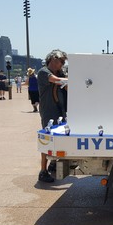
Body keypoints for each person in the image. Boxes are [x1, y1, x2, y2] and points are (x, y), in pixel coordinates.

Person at [37, 49, 68, 183]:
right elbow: (56, 81)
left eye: (62, 62)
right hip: (48, 110)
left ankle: (53, 164)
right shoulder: (44, 72)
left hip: (60, 111)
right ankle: (43, 171)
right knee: (46, 140)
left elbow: (66, 87)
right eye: (59, 61)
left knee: (59, 139)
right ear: (52, 60)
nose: (61, 64)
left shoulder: (61, 73)